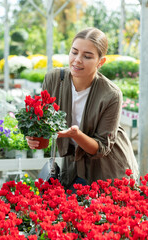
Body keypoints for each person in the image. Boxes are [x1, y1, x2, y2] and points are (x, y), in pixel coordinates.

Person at [26, 27, 139, 190]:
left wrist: (76, 134)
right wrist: (35, 139)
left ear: (100, 62)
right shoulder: (54, 80)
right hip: (73, 169)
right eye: (74, 52)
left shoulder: (111, 94)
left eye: (87, 56)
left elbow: (101, 148)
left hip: (108, 170)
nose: (77, 60)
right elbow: (44, 132)